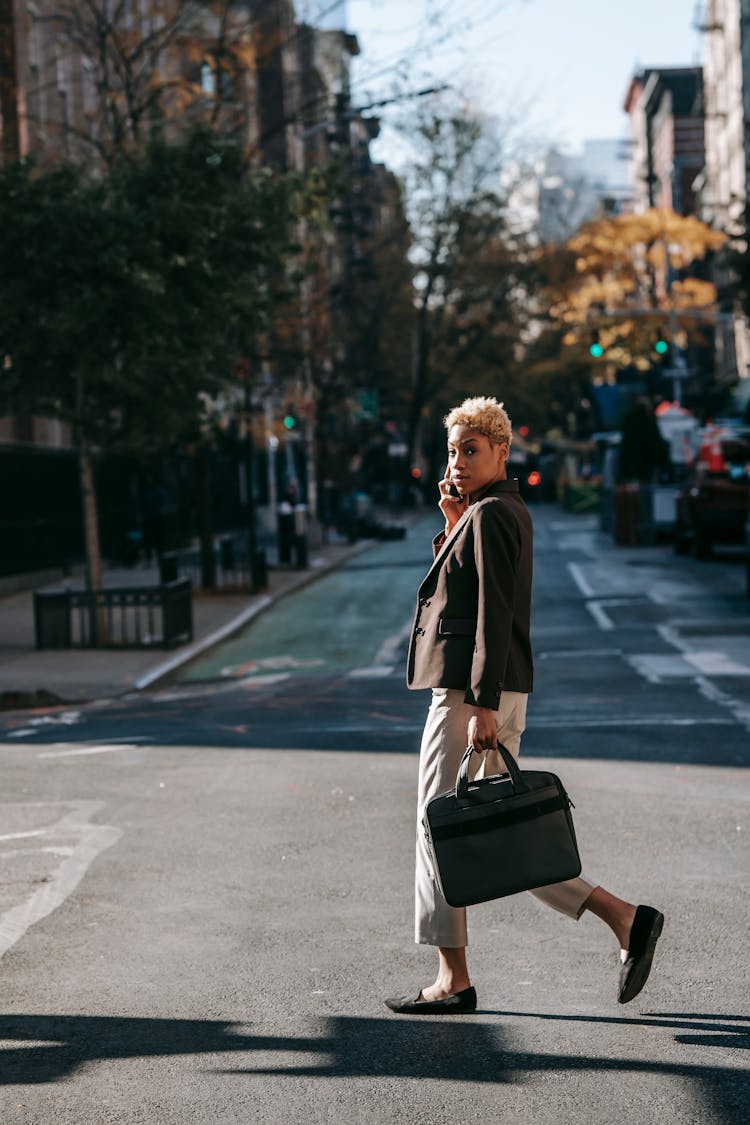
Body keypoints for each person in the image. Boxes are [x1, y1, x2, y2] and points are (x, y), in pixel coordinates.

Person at [386, 396, 664, 1015]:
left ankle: (452, 979)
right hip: (493, 692)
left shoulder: (491, 515)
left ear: (502, 451)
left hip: (469, 695)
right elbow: (471, 596)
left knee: (440, 829)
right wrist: (453, 520)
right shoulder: (495, 511)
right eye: (452, 450)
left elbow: (493, 615)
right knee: (504, 831)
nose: (457, 461)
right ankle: (625, 918)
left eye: (471, 450)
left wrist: (480, 703)